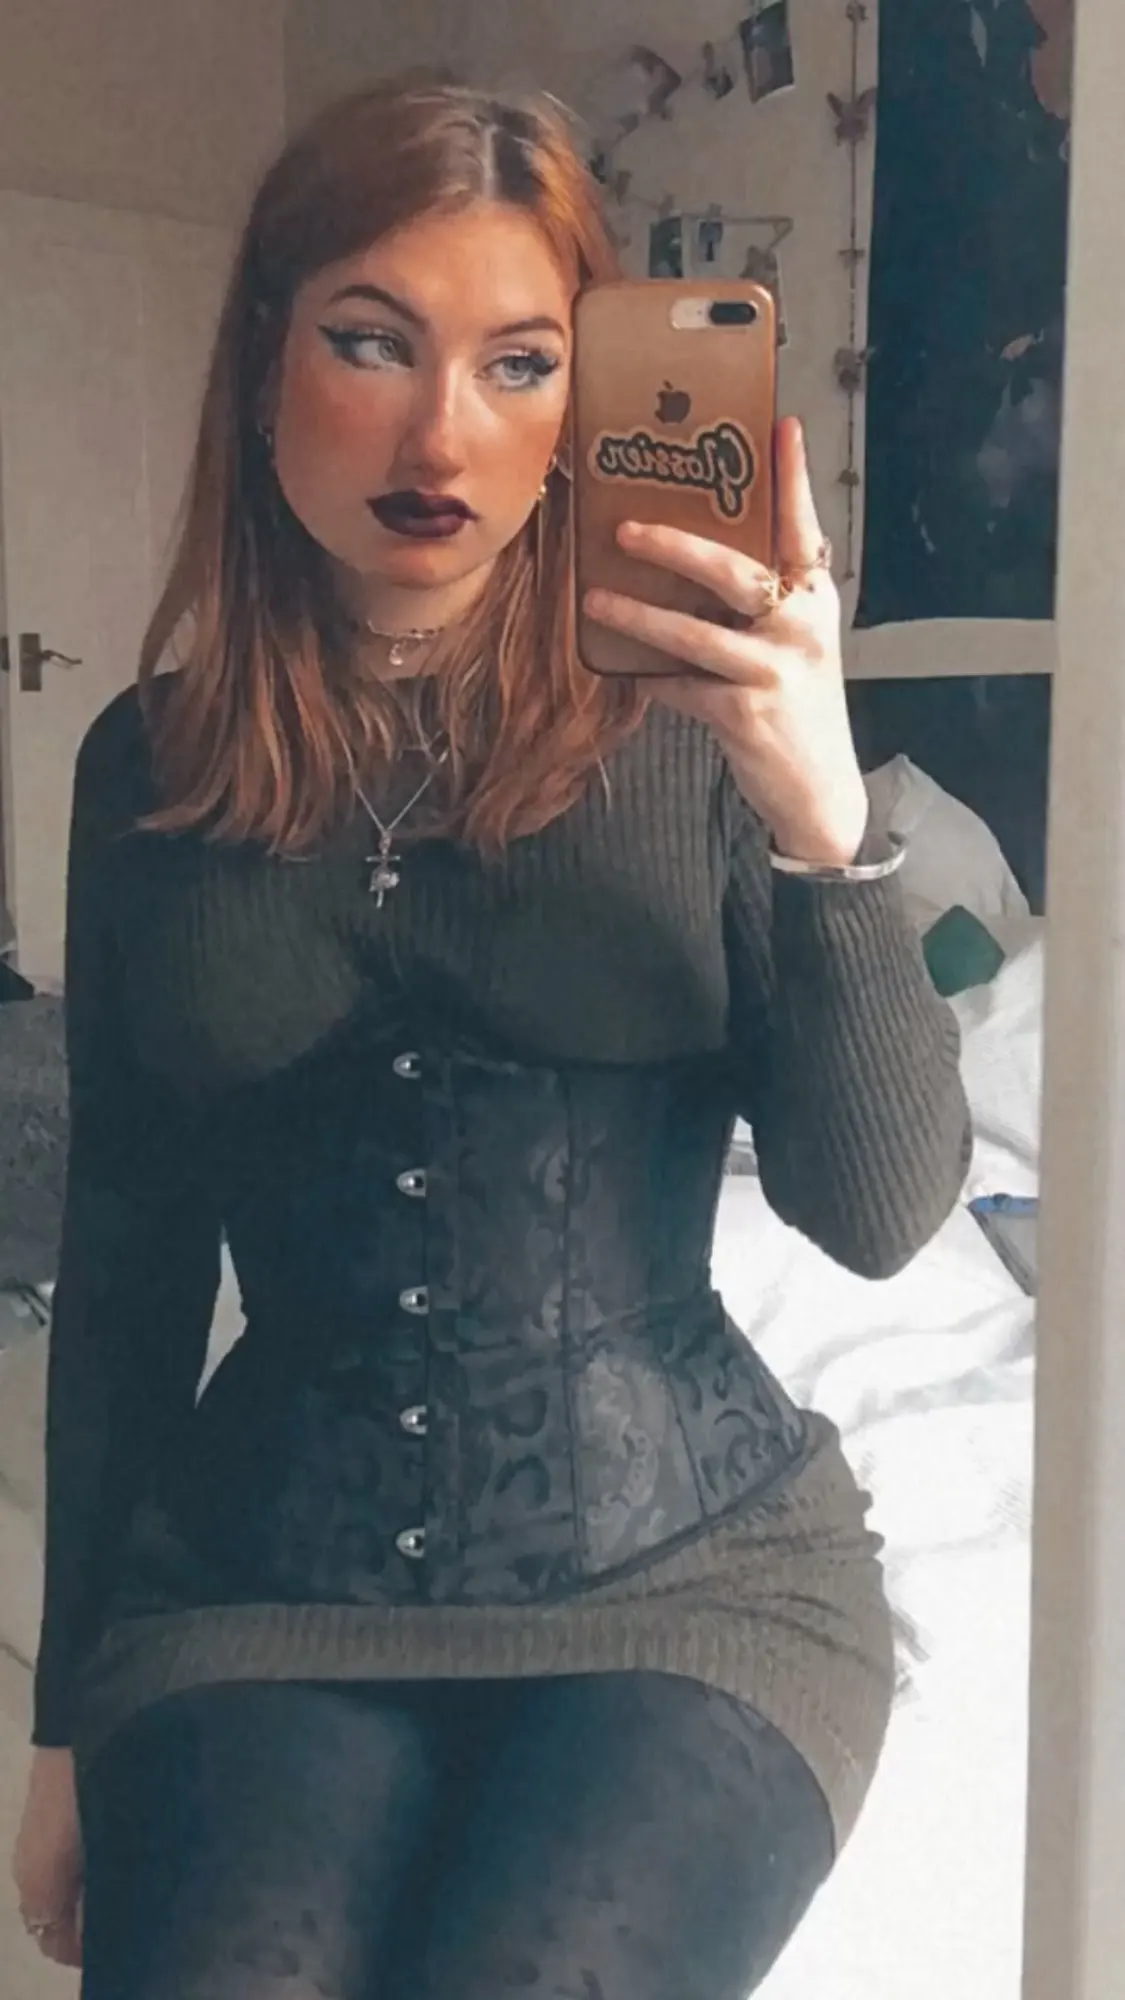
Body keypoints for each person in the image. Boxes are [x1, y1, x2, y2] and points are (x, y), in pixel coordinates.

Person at [12, 83, 969, 2000]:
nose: (441, 435)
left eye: (522, 363)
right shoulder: (152, 769)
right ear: (263, 361)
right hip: (260, 1584)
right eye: (373, 341)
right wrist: (60, 1725)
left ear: (586, 406)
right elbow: (122, 1268)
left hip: (692, 1578)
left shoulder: (693, 739)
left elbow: (880, 1220)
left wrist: (818, 813)